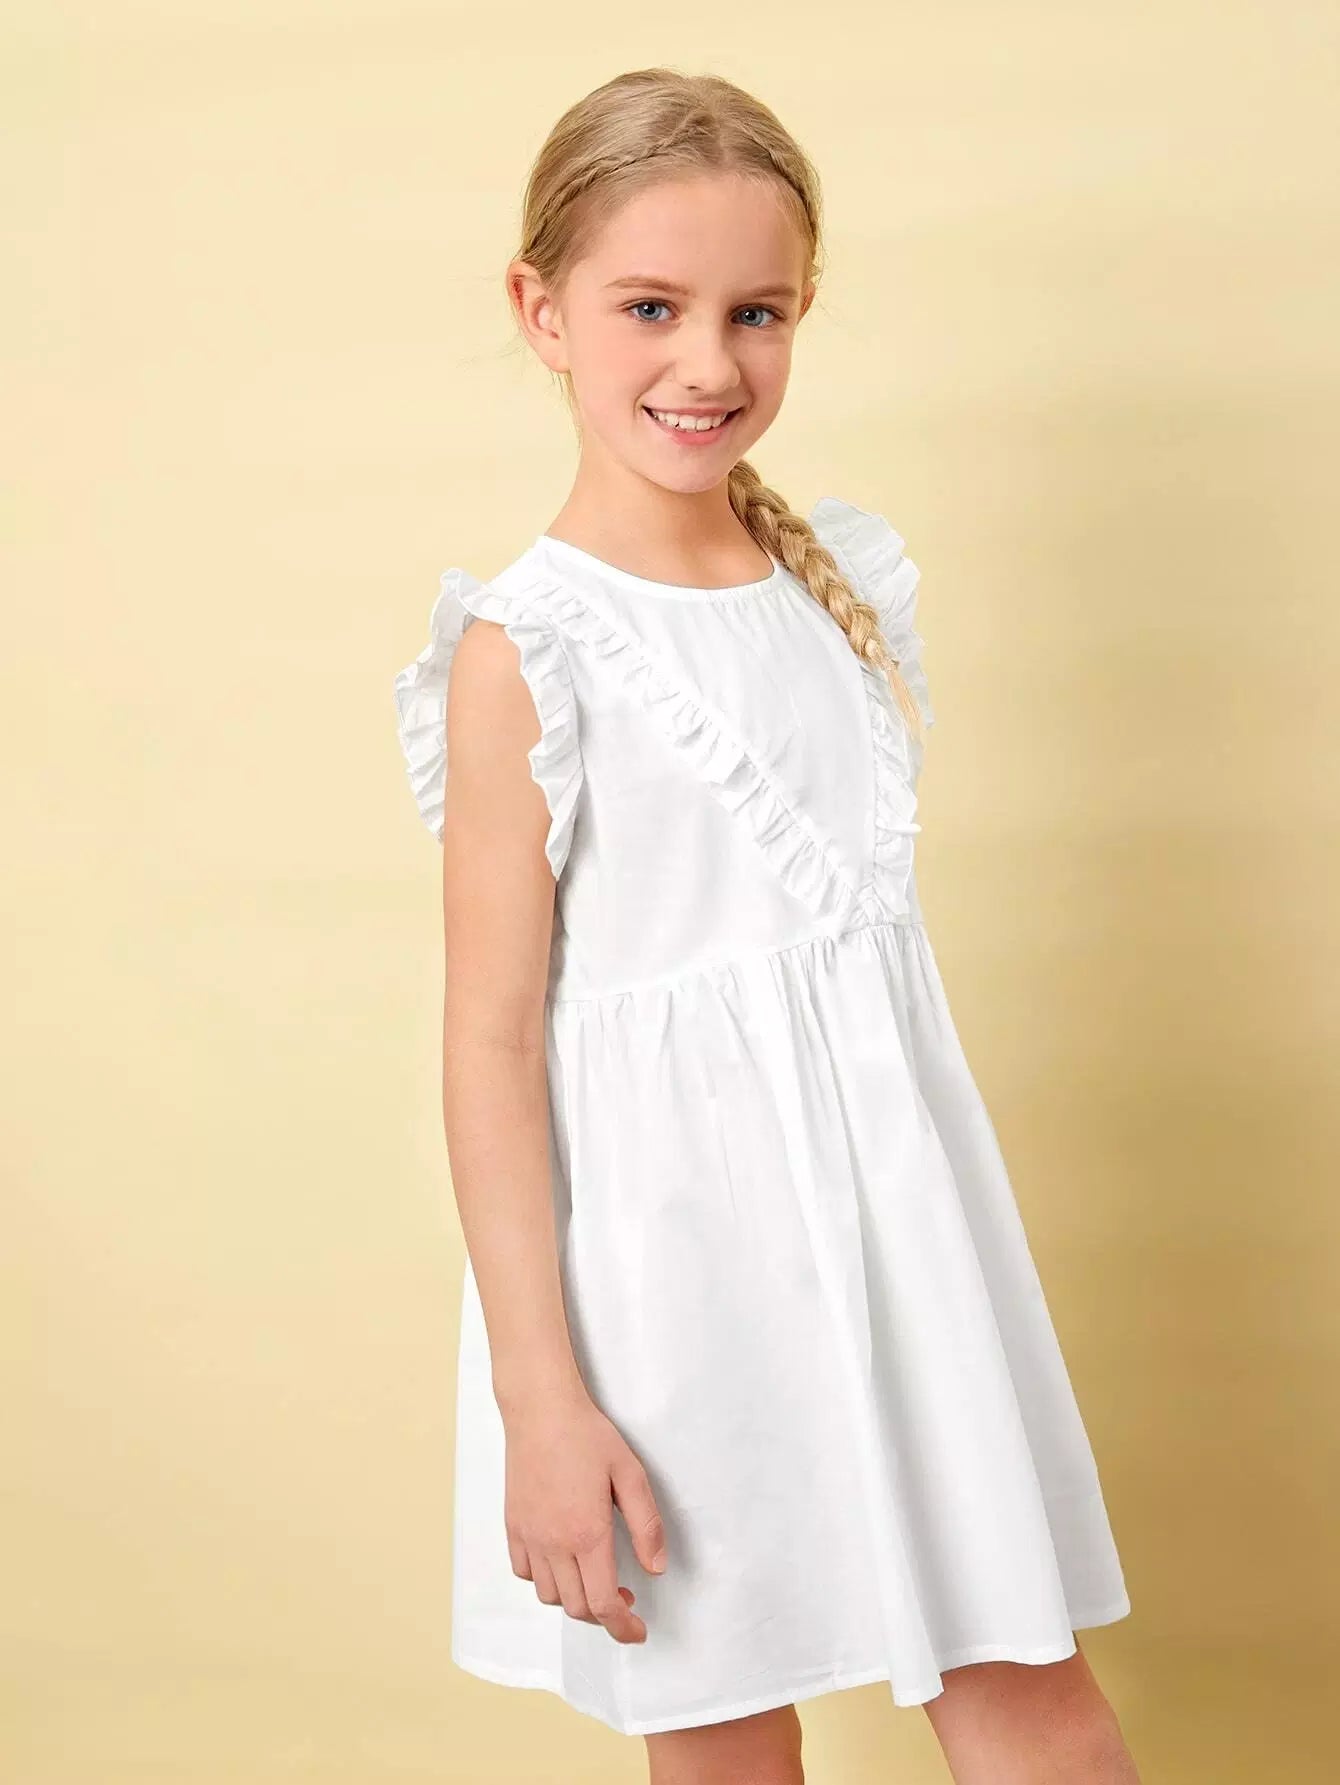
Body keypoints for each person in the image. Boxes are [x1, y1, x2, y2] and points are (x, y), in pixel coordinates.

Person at [393, 65, 1141, 1785]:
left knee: (1029, 1697)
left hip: (901, 1251)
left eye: (757, 313)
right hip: (667, 1297)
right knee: (724, 1735)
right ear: (543, 312)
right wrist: (540, 1396)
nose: (708, 362)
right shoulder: (528, 651)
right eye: (649, 307)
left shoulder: (832, 585)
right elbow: (490, 1044)